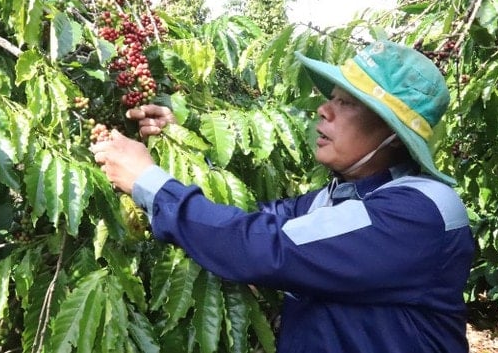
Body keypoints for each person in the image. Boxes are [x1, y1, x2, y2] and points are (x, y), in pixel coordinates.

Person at [91, 40, 475, 353]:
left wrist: (148, 180)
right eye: (332, 98)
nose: (323, 110)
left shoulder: (420, 213)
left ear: (392, 132)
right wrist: (177, 142)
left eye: (346, 103)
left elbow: (264, 247)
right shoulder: (334, 199)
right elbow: (246, 220)